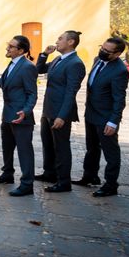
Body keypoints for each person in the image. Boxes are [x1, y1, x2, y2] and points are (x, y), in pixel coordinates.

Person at [73, 37, 129, 197]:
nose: (102, 52)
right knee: (91, 148)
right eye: (102, 48)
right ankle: (90, 176)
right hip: (91, 113)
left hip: (106, 118)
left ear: (117, 54)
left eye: (107, 51)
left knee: (111, 152)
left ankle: (111, 185)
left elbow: (119, 99)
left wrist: (113, 122)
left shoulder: (120, 71)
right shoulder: (98, 60)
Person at [35, 30, 86, 193]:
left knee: (61, 146)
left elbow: (71, 92)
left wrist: (62, 116)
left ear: (71, 42)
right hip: (48, 109)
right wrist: (44, 54)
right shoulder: (58, 59)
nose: (57, 41)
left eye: (60, 39)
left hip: (59, 113)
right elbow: (40, 70)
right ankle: (49, 173)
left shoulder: (75, 63)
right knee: (47, 143)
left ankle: (64, 182)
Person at [0, 36, 38, 196]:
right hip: (8, 114)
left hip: (21, 117)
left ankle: (27, 184)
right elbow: (7, 86)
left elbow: (32, 93)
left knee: (24, 151)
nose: (8, 48)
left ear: (21, 50)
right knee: (7, 146)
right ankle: (7, 173)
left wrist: (26, 111)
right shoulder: (12, 64)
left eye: (11, 46)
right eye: (8, 45)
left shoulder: (27, 67)